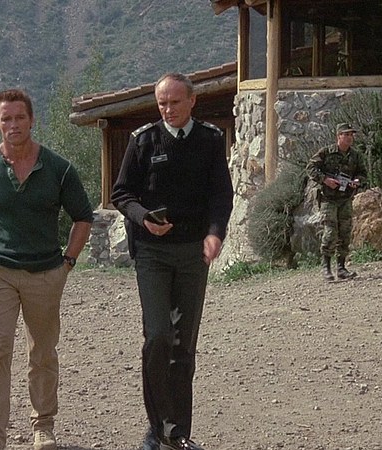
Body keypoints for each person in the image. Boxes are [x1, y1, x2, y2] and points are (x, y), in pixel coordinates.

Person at [0, 88, 94, 450]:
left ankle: (43, 427)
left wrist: (68, 262)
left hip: (46, 272)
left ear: (32, 120)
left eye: (20, 117)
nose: (13, 124)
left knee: (43, 352)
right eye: (6, 118)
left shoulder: (59, 169)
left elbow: (83, 217)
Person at [111, 73, 234, 450]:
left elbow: (221, 195)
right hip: (153, 252)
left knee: (183, 345)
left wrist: (215, 233)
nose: (168, 109)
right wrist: (142, 218)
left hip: (193, 253)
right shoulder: (143, 140)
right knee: (158, 337)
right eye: (162, 103)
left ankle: (177, 433)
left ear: (192, 101)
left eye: (174, 102)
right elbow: (122, 194)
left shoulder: (210, 139)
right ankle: (156, 427)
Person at [306, 122, 367, 281]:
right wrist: (325, 180)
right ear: (338, 136)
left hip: (345, 198)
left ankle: (341, 268)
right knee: (330, 232)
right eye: (346, 134)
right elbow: (310, 168)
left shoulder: (355, 155)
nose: (349, 137)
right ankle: (326, 267)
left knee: (345, 233)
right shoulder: (326, 152)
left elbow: (362, 173)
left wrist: (357, 181)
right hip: (328, 198)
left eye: (351, 135)